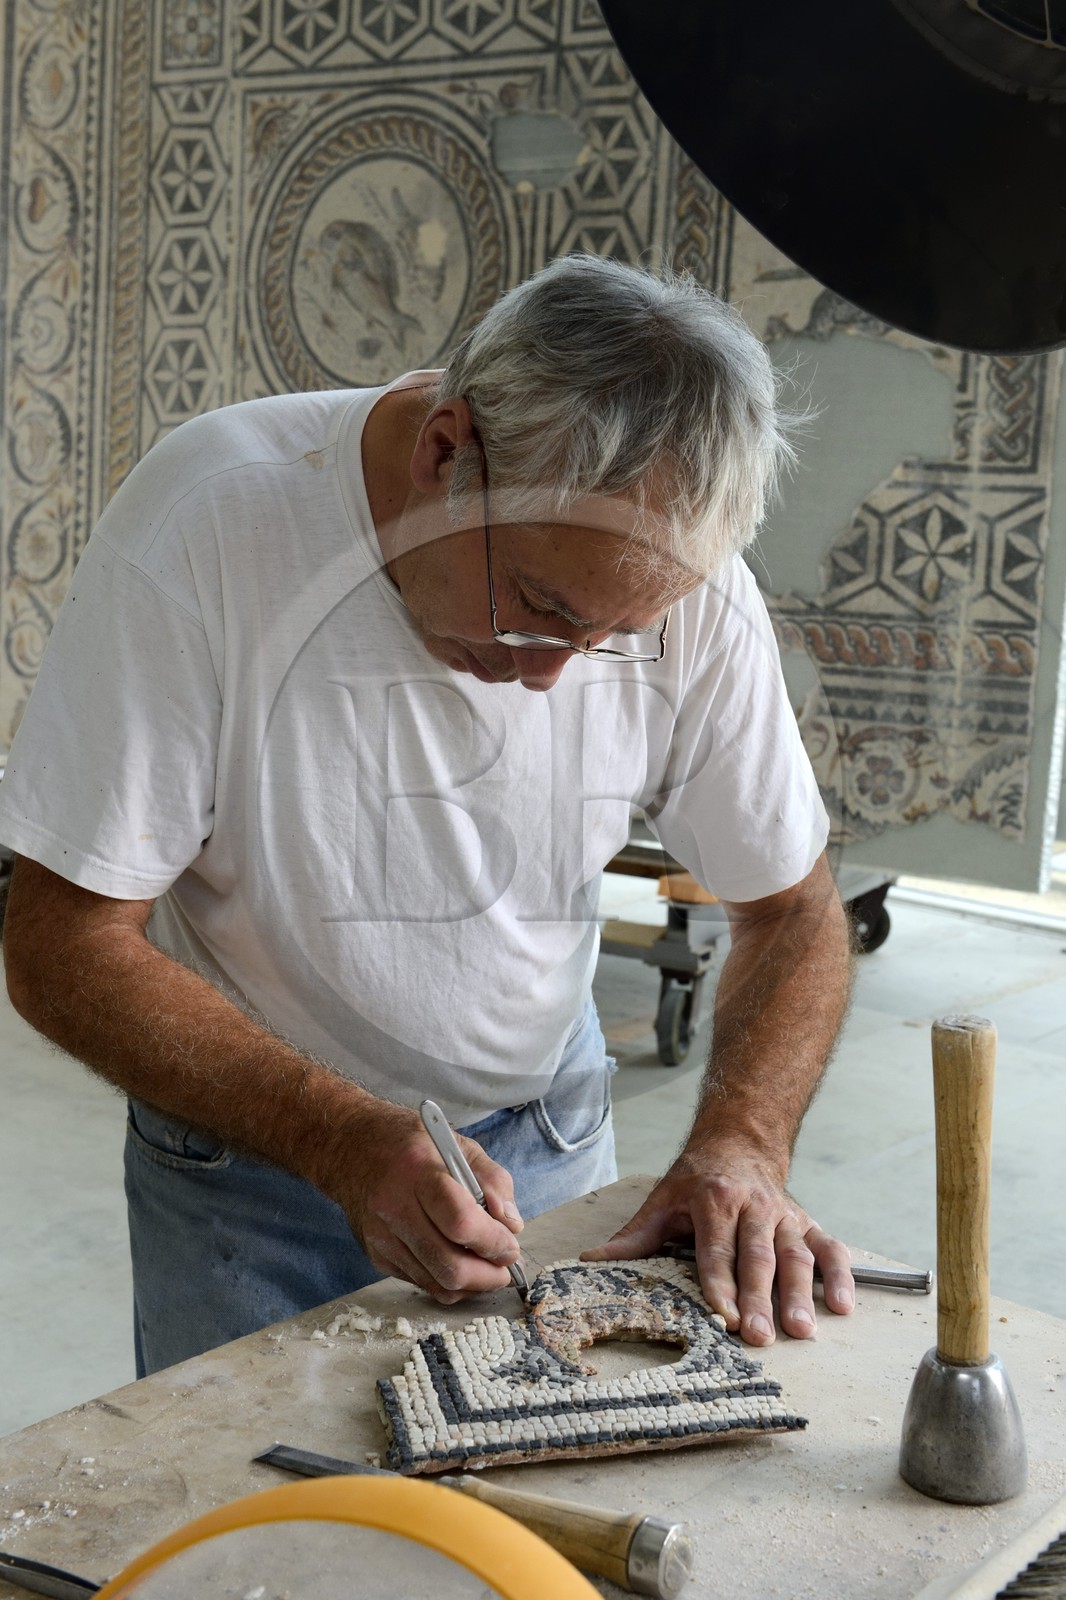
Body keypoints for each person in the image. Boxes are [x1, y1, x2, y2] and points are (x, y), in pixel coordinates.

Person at [0, 254, 854, 1376]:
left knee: (519, 1536)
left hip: (549, 1140)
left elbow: (792, 911)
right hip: (250, 1180)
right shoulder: (215, 518)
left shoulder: (680, 577)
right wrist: (333, 1136)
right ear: (446, 452)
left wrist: (742, 1143)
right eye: (543, 607)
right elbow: (61, 939)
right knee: (257, 1541)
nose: (557, 674)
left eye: (614, 636)